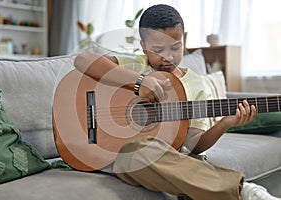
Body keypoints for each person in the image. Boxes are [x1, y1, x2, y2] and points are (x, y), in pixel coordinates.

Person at [74, 4, 280, 200]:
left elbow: (195, 145)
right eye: (158, 49)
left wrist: (225, 123)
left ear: (184, 41)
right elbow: (81, 61)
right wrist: (138, 81)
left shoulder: (197, 84)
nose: (168, 58)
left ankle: (240, 191)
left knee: (151, 153)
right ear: (144, 47)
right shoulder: (135, 66)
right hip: (123, 153)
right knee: (137, 151)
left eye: (175, 47)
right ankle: (243, 191)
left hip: (169, 157)